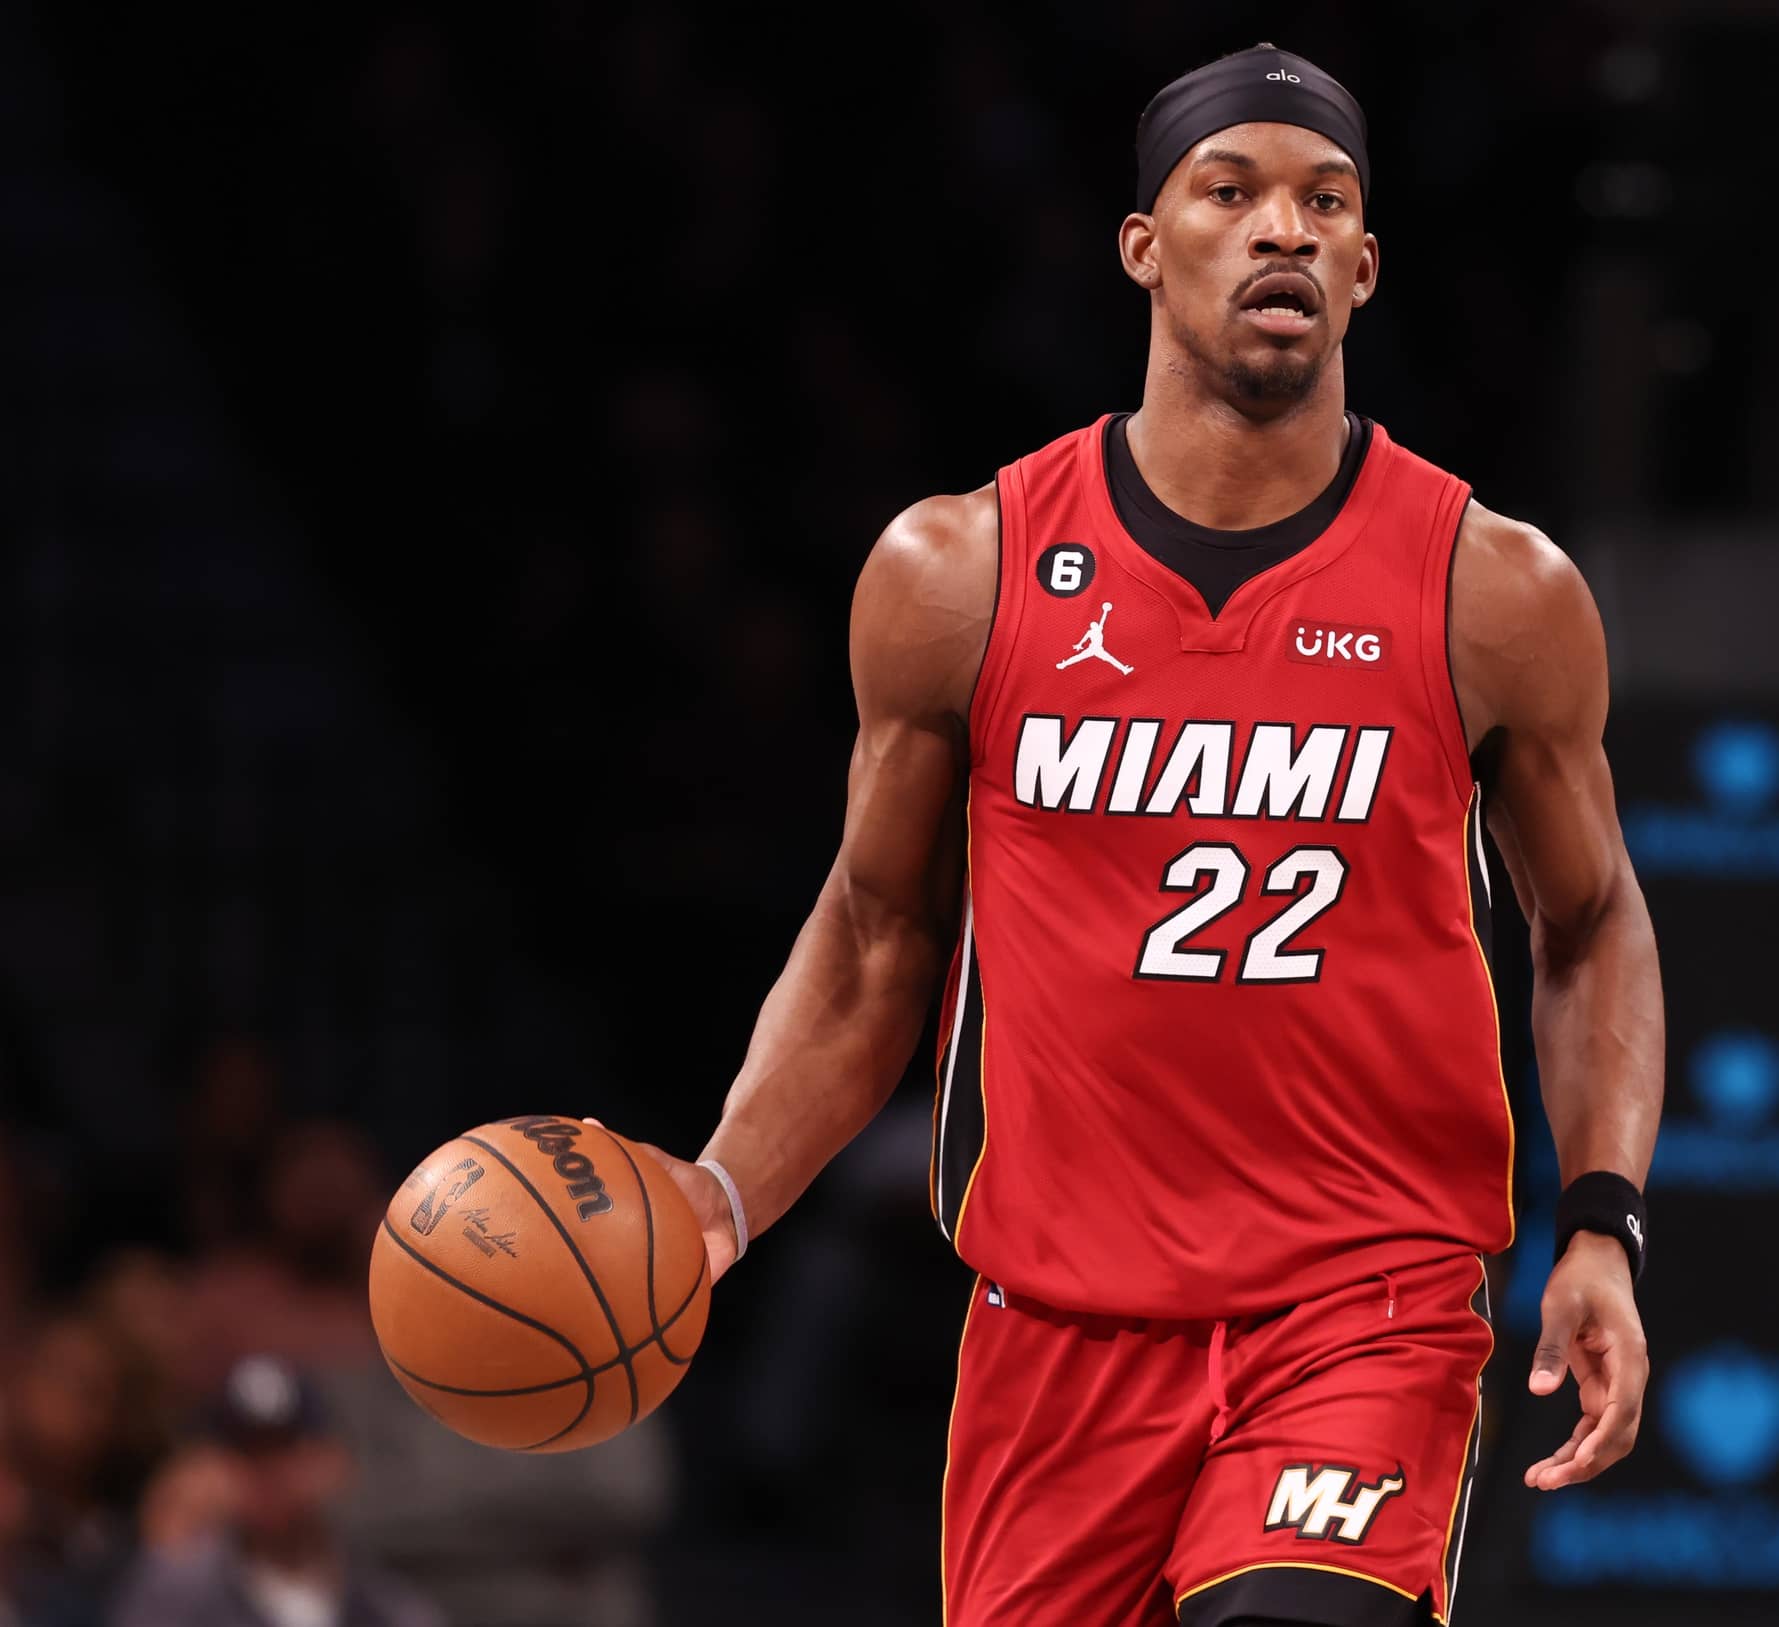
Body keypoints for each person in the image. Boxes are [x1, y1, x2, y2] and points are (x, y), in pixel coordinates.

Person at [625, 40, 1665, 1625]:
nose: (1283, 230)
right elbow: (872, 937)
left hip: (1361, 1304)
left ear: (1365, 269)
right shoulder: (956, 570)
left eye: (1325, 202)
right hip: (1058, 1329)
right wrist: (719, 1190)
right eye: (1230, 190)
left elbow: (1588, 923)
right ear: (1141, 246)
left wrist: (1600, 1221)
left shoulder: (1488, 588)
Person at [109, 1355, 440, 1627]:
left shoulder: (385, 1604)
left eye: (285, 1450)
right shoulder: (175, 1593)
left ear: (328, 1460)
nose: (268, 1474)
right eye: (249, 1454)